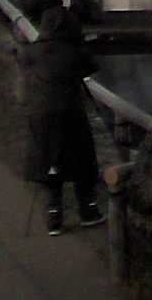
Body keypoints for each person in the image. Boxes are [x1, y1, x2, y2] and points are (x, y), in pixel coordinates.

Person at [25, 17, 105, 234]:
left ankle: (54, 217)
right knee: (82, 160)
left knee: (50, 163)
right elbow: (92, 66)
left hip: (40, 117)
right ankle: (88, 211)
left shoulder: (32, 52)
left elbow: (25, 63)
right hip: (71, 114)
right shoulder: (75, 53)